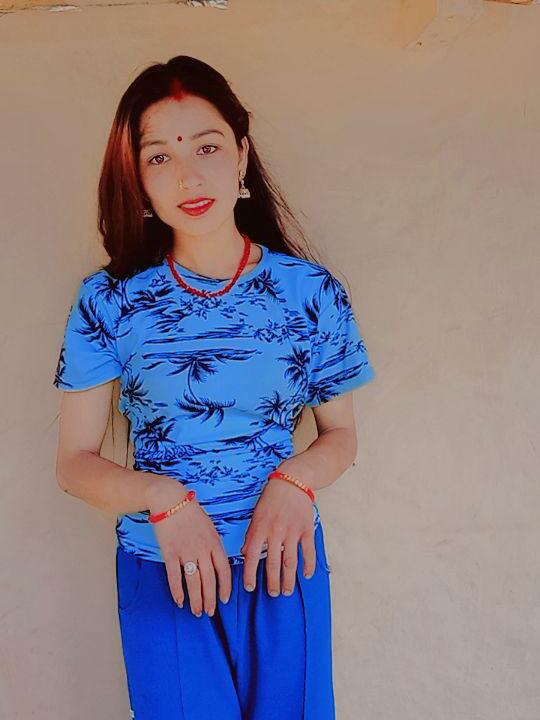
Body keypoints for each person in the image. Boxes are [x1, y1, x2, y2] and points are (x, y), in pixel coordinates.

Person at [52, 55, 376, 720]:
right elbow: (73, 463)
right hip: (162, 569)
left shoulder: (309, 292)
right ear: (136, 179)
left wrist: (294, 482)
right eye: (159, 157)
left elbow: (341, 436)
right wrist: (162, 500)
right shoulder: (108, 301)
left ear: (242, 156)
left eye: (206, 147)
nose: (189, 176)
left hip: (282, 564)